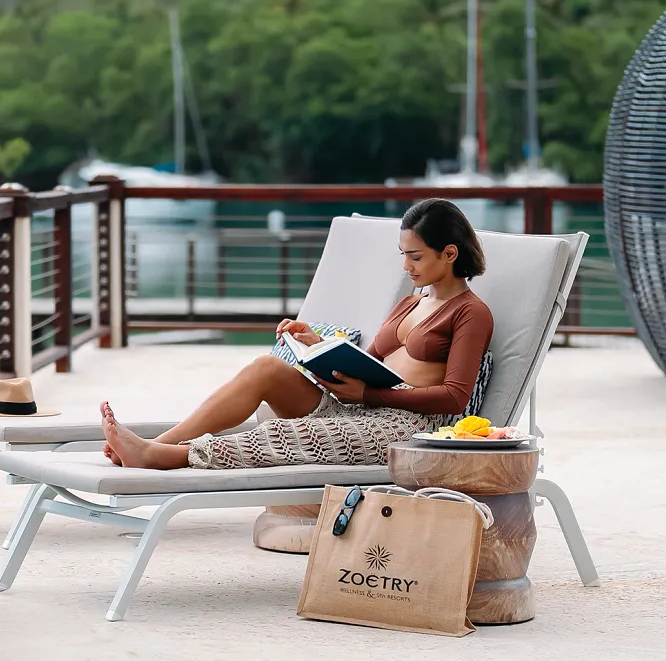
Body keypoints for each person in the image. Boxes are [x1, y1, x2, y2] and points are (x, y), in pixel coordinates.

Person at [102, 198, 495, 469]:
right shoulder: (410, 302)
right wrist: (318, 346)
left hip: (404, 426)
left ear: (449, 253)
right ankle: (162, 443)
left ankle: (161, 457)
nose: (406, 265)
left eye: (416, 256)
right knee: (265, 369)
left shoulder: (471, 313)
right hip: (360, 406)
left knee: (282, 432)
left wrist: (368, 394)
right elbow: (372, 362)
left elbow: (456, 397)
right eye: (403, 255)